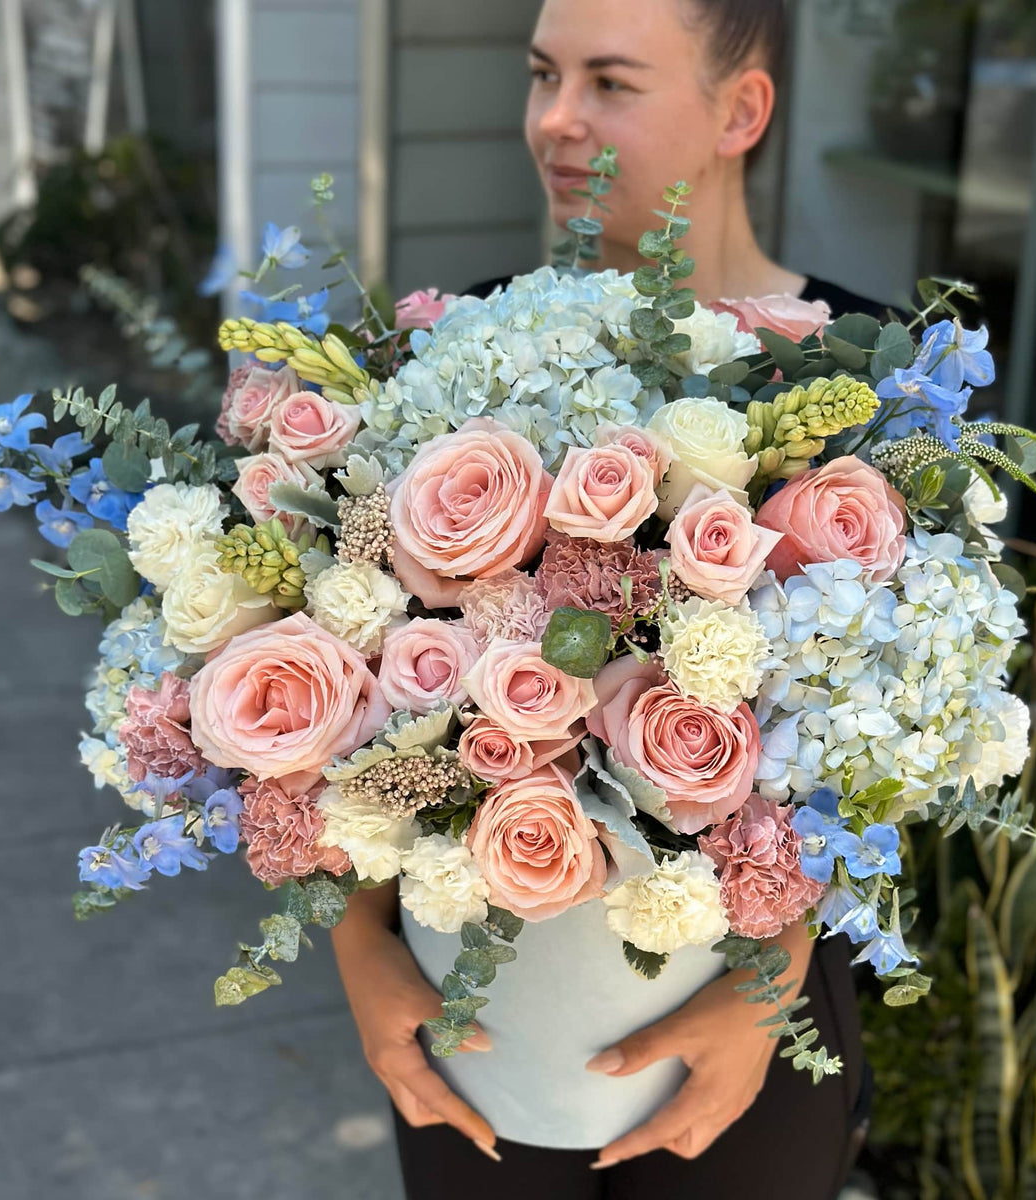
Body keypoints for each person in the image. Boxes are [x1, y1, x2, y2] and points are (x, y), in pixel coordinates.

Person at [331, 1, 875, 1196]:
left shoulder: (864, 377)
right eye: (542, 75)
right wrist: (357, 948)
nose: (556, 120)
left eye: (611, 84)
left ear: (743, 109)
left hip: (748, 1040)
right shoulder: (451, 358)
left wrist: (770, 988)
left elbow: (900, 754)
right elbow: (350, 681)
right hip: (478, 1030)